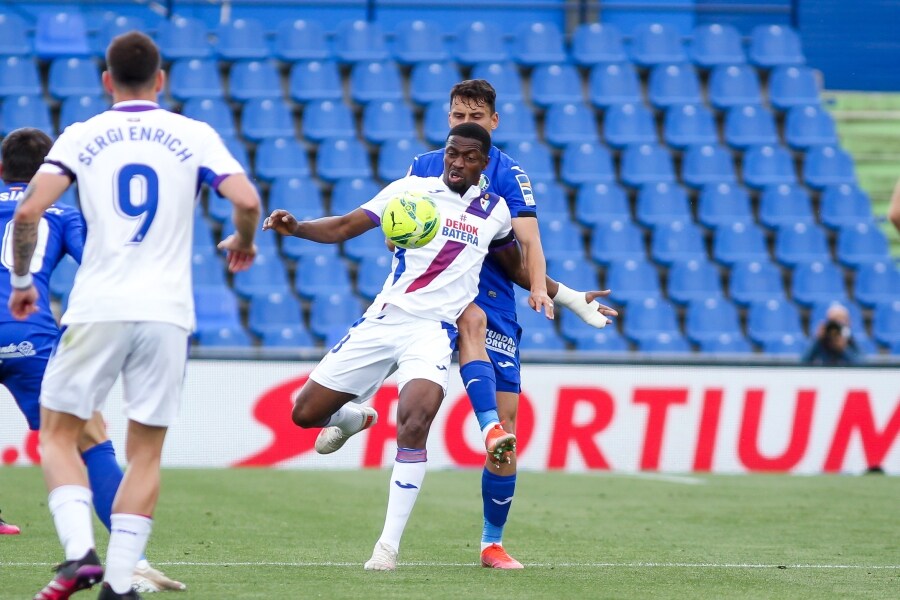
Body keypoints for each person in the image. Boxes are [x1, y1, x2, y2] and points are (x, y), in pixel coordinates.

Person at [10, 32, 260, 599]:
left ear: (106, 81)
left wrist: (24, 282)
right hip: (167, 313)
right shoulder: (193, 134)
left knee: (57, 434)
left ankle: (79, 556)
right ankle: (120, 582)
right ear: (161, 80)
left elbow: (29, 209)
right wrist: (244, 241)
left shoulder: (82, 134)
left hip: (98, 305)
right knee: (144, 451)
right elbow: (245, 200)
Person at [264, 122, 530, 571]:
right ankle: (353, 417)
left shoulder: (496, 211)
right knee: (304, 414)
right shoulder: (412, 191)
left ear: (484, 163)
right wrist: (299, 228)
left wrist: (558, 294)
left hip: (433, 332)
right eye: (451, 153)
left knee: (414, 423)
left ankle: (386, 547)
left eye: (468, 157)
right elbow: (348, 224)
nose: (457, 163)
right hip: (384, 321)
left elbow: (514, 266)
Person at [407, 79, 615, 569]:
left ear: (493, 122)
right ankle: (347, 412)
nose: (466, 123)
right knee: (401, 379)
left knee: (508, 428)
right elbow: (399, 226)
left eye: (475, 116)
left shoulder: (508, 172)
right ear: (448, 117)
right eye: (458, 115)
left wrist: (546, 289)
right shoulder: (421, 167)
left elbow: (527, 243)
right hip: (432, 294)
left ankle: (491, 542)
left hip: (491, 296)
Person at [0, 128, 186, 593]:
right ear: (52, 172)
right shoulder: (61, 213)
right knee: (88, 440)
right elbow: (99, 266)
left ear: (2, 168)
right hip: (30, 335)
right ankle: (133, 563)